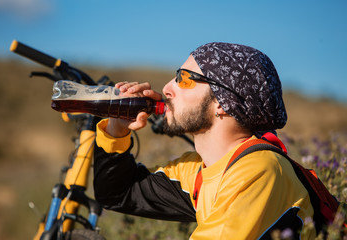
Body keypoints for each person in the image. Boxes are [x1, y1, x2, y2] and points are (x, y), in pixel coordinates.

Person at [93, 42, 315, 239]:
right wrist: (116, 130)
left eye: (185, 79)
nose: (167, 88)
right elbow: (118, 193)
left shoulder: (258, 171)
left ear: (223, 102)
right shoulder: (199, 171)